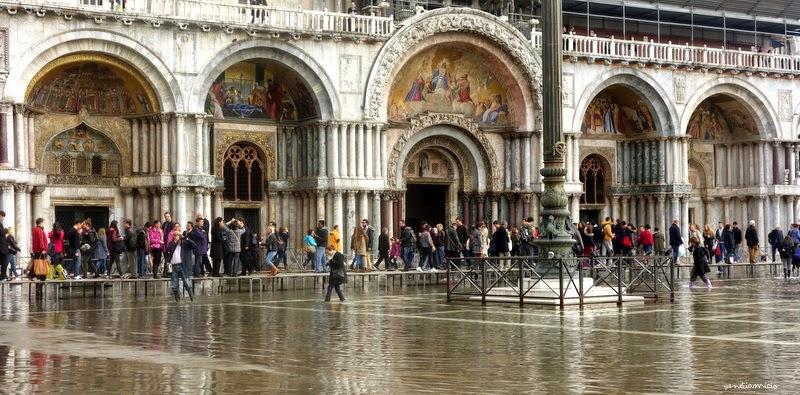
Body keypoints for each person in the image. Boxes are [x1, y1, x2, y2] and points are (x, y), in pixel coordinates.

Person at [165, 231, 196, 302]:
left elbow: (194, 245)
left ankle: (192, 299)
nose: (176, 237)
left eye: (177, 235)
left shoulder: (185, 243)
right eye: (175, 235)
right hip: (174, 266)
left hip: (183, 266)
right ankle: (177, 301)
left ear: (180, 237)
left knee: (186, 283)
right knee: (174, 285)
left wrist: (185, 238)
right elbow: (169, 248)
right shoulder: (171, 244)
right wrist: (176, 242)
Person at [0, 211, 8, 281]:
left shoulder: (1, 224)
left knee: (4, 262)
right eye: (3, 217)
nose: (3, 218)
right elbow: (1, 232)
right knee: (4, 262)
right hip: (1, 248)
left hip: (2, 247)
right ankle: (3, 276)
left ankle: (3, 275)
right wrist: (5, 231)